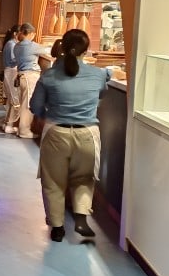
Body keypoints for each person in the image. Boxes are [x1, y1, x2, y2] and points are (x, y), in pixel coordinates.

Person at [30, 29, 110, 242]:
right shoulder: (99, 74)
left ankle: (57, 227)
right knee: (84, 179)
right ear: (86, 50)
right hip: (88, 134)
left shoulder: (48, 76)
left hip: (57, 132)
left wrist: (47, 115)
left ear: (62, 47)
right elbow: (103, 90)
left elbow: (35, 106)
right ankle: (81, 217)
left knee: (53, 182)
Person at [13, 23, 53, 139]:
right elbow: (48, 50)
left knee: (23, 104)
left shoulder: (17, 46)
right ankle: (24, 131)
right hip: (29, 76)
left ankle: (21, 129)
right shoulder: (31, 46)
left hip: (21, 76)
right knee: (28, 105)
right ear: (30, 33)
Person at [1, 25, 20, 134]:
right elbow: (13, 61)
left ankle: (7, 123)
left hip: (9, 72)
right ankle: (9, 125)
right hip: (12, 72)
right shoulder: (12, 44)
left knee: (11, 100)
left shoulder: (10, 43)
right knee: (14, 100)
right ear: (15, 33)